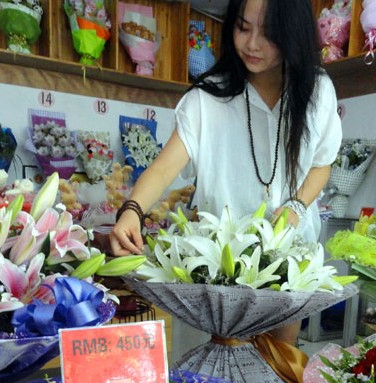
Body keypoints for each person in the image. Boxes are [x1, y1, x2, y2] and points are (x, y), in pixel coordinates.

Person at [110, 0, 342, 348]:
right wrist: (132, 210)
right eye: (243, 27)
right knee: (227, 360)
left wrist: (296, 206)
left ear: (292, 33)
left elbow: (321, 164)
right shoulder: (207, 99)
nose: (252, 44)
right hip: (222, 266)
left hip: (289, 255)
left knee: (281, 360)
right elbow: (163, 168)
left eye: (268, 33)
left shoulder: (316, 91)